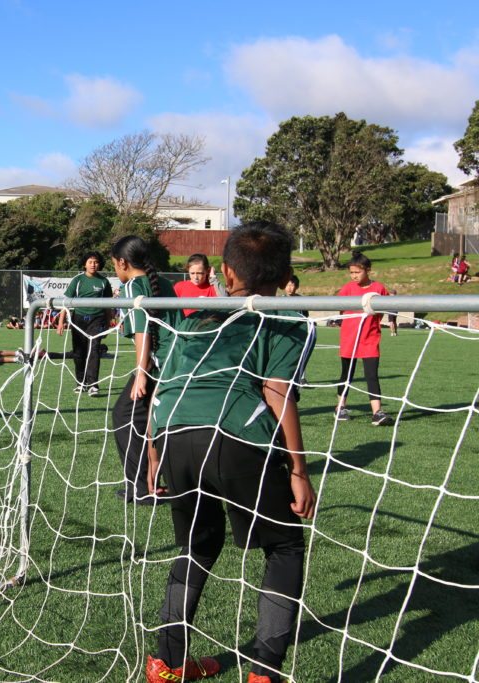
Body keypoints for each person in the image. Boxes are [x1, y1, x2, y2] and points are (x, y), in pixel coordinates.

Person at [145, 221, 316, 683]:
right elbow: (278, 392)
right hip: (235, 437)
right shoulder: (286, 318)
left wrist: (155, 449)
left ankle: (165, 664)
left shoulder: (196, 315)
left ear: (224, 271)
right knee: (283, 546)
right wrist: (298, 470)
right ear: (285, 279)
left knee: (196, 546)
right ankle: (263, 673)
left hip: (176, 434)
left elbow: (169, 384)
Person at [109, 235, 180, 505]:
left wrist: (141, 371)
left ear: (123, 263)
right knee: (151, 420)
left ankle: (140, 487)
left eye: (114, 264)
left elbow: (143, 329)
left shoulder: (133, 287)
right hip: (177, 360)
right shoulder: (163, 282)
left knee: (125, 414)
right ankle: (150, 482)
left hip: (158, 364)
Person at [335, 251, 393, 426]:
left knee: (371, 375)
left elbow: (382, 311)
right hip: (349, 339)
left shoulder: (379, 288)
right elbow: (339, 310)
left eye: (357, 272)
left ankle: (377, 412)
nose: (354, 276)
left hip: (370, 339)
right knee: (347, 374)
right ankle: (340, 408)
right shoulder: (347, 289)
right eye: (351, 273)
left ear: (367, 270)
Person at [56, 251, 113, 396]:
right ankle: (81, 383)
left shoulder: (104, 282)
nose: (93, 264)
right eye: (90, 262)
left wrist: (109, 321)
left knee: (94, 350)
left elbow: (108, 305)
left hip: (97, 319)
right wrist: (61, 322)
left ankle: (93, 384)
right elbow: (66, 303)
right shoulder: (78, 280)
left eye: (96, 262)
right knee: (79, 352)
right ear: (85, 264)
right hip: (79, 320)